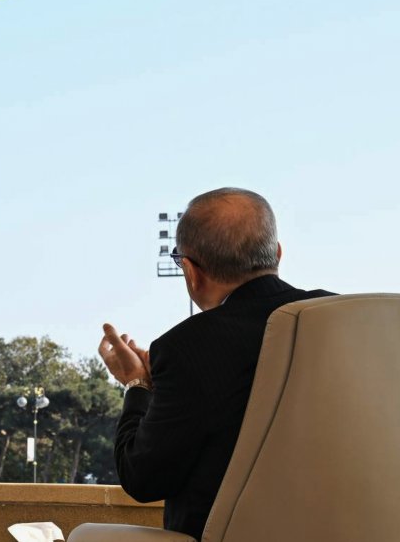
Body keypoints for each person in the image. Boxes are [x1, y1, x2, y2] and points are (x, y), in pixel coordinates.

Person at [98, 188, 333, 539]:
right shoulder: (342, 321)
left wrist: (138, 385)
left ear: (191, 272)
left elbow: (142, 478)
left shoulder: (186, 348)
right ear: (278, 254)